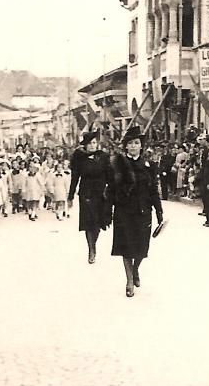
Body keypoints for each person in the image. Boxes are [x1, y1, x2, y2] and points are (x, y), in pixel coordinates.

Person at [108, 126, 163, 298]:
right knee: (126, 247)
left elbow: (154, 189)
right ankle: (129, 280)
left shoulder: (149, 165)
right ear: (125, 146)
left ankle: (136, 269)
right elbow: (111, 189)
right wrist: (108, 208)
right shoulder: (118, 164)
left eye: (136, 143)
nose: (133, 146)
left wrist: (159, 212)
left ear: (141, 146)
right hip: (124, 210)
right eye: (130, 143)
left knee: (141, 248)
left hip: (143, 210)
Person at [68, 131, 110, 264]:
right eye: (89, 143)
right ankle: (91, 249)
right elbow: (75, 177)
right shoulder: (79, 158)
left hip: (101, 194)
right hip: (86, 194)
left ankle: (94, 244)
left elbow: (110, 175)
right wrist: (70, 196)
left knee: (98, 224)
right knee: (89, 223)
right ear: (85, 145)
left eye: (94, 143)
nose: (92, 146)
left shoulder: (103, 157)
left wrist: (112, 192)